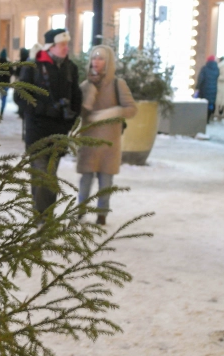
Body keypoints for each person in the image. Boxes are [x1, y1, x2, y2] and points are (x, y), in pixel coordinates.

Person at [19, 29, 82, 216]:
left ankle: (43, 215)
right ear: (51, 47)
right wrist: (39, 111)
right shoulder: (33, 66)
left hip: (59, 130)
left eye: (67, 44)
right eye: (62, 45)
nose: (66, 48)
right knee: (42, 174)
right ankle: (43, 218)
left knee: (49, 174)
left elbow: (77, 96)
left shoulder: (71, 68)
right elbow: (20, 95)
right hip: (36, 130)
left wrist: (71, 119)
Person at [76, 45, 137, 225]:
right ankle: (80, 212)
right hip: (88, 142)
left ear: (108, 61)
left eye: (101, 58)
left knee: (105, 182)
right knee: (85, 180)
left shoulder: (118, 84)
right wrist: (91, 93)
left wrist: (110, 113)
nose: (96, 62)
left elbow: (131, 109)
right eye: (94, 58)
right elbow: (80, 112)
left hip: (109, 143)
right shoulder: (85, 85)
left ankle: (102, 215)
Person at [195, 55, 220, 123]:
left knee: (203, 104)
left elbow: (200, 79)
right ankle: (208, 119)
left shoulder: (204, 68)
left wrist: (197, 87)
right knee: (210, 104)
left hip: (204, 89)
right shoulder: (217, 69)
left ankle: (202, 119)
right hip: (213, 90)